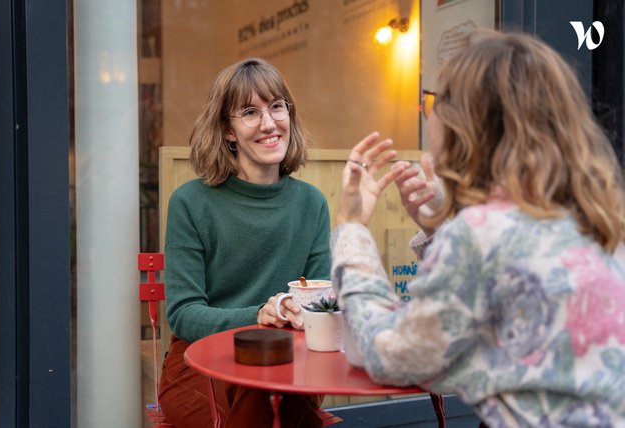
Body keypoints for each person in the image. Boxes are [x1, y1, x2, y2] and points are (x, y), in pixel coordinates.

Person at [332, 31, 625, 427]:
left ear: (465, 123)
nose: (427, 112)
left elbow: (391, 355)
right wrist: (443, 224)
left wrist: (351, 230)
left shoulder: (482, 234)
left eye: (434, 101)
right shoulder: (601, 217)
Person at [158, 57, 331, 427]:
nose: (269, 123)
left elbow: (323, 302)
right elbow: (183, 313)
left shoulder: (311, 203)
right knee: (267, 404)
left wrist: (306, 312)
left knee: (274, 397)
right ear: (228, 131)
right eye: (250, 112)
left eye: (276, 107)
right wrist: (257, 316)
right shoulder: (191, 203)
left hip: (285, 363)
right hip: (199, 363)